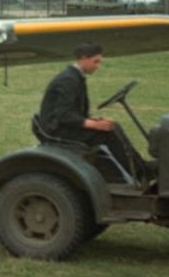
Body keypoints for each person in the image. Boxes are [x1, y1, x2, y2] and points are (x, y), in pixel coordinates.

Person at [38, 42, 151, 181]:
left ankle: (141, 167)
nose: (98, 66)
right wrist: (94, 125)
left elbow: (73, 111)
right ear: (83, 58)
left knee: (113, 126)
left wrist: (95, 121)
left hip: (63, 125)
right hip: (57, 130)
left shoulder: (75, 77)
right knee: (107, 134)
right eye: (95, 62)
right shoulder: (67, 80)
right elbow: (63, 115)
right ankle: (141, 173)